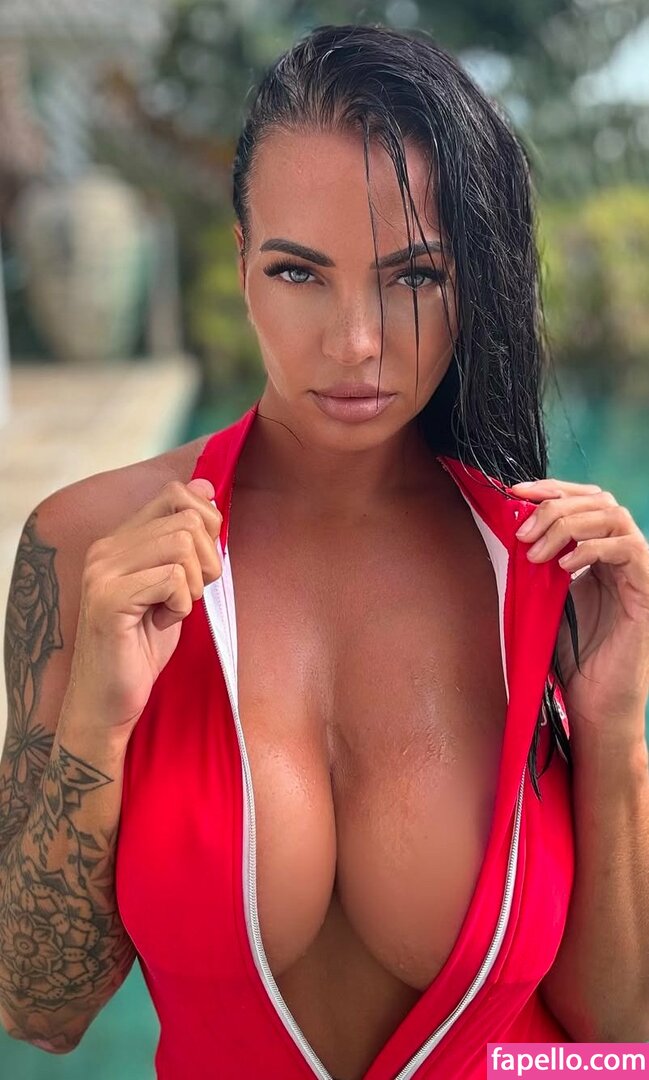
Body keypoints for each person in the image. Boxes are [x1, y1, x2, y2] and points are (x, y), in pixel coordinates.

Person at [2, 22, 649, 1080]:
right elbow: (38, 1010)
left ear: (471, 282)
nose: (355, 342)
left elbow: (620, 1036)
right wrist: (96, 726)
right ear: (242, 267)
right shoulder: (87, 552)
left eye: (412, 277)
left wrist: (616, 730)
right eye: (300, 273)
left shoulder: (543, 571)